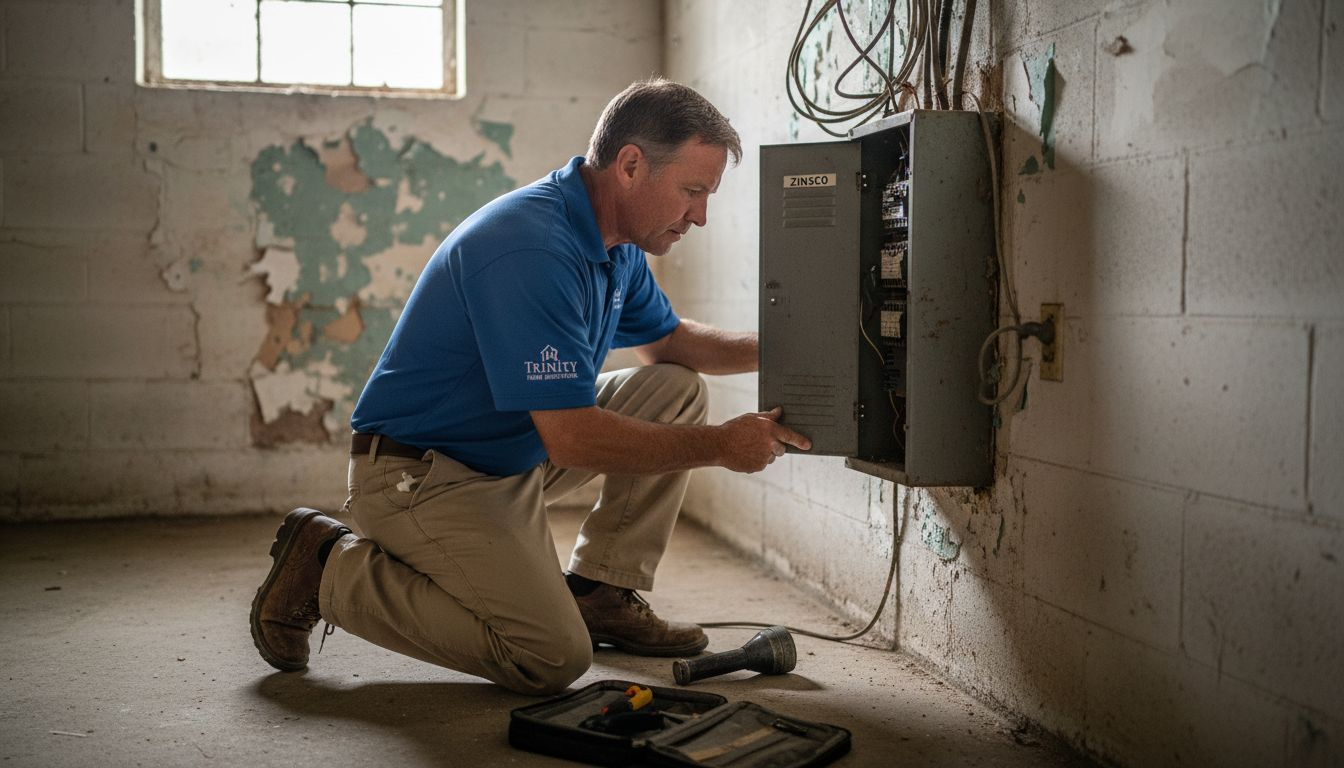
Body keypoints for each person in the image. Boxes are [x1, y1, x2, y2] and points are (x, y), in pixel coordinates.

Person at [249, 78, 811, 695]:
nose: (700, 215)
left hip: (510, 451)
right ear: (630, 165)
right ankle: (327, 568)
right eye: (693, 190)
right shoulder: (532, 248)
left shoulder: (616, 241)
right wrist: (720, 447)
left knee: (674, 388)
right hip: (425, 475)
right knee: (548, 657)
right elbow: (571, 438)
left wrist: (797, 348)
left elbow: (671, 342)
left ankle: (601, 591)